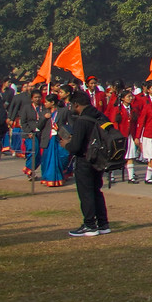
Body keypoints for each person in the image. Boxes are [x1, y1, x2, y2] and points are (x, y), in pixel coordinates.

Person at [59, 90, 110, 236]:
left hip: (85, 159)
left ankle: (89, 225)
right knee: (96, 191)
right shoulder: (101, 116)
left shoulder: (82, 121)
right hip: (99, 159)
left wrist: (66, 144)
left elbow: (75, 147)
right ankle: (103, 224)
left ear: (76, 104)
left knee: (86, 193)